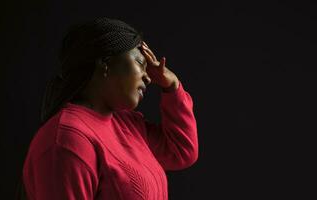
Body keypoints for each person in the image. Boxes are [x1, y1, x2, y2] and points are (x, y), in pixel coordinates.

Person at [21, 17, 199, 200]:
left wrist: (172, 87)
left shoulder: (127, 125)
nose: (148, 77)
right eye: (140, 63)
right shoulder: (67, 139)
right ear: (105, 62)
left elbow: (181, 151)